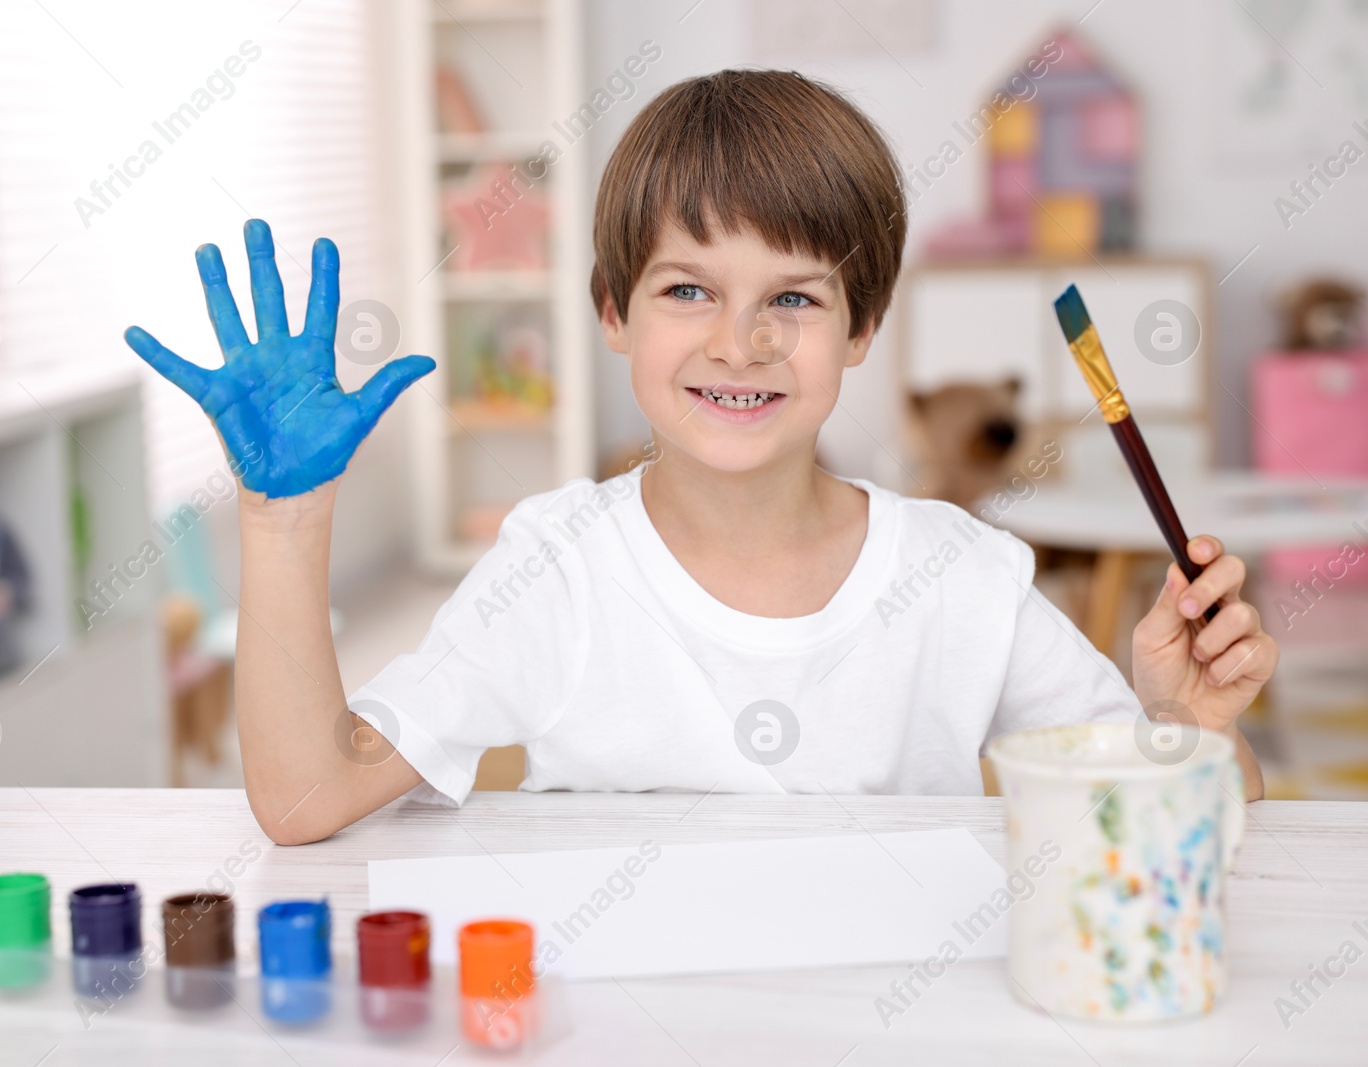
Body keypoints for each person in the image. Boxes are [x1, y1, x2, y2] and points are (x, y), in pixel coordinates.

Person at [126, 70, 1274, 845]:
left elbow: (1174, 822)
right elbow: (307, 793)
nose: (741, 340)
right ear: (612, 312)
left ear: (862, 325)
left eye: (793, 295)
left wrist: (1197, 728)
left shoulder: (962, 574)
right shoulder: (559, 563)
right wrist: (283, 521)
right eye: (687, 289)